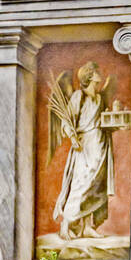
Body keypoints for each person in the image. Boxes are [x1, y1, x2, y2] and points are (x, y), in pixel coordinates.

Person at [52, 61, 114, 240]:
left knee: (96, 186)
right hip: (85, 144)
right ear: (89, 76)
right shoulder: (79, 96)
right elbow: (67, 121)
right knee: (81, 184)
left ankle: (87, 226)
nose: (99, 74)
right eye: (96, 72)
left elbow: (101, 120)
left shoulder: (99, 98)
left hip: (100, 143)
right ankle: (66, 223)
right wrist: (73, 138)